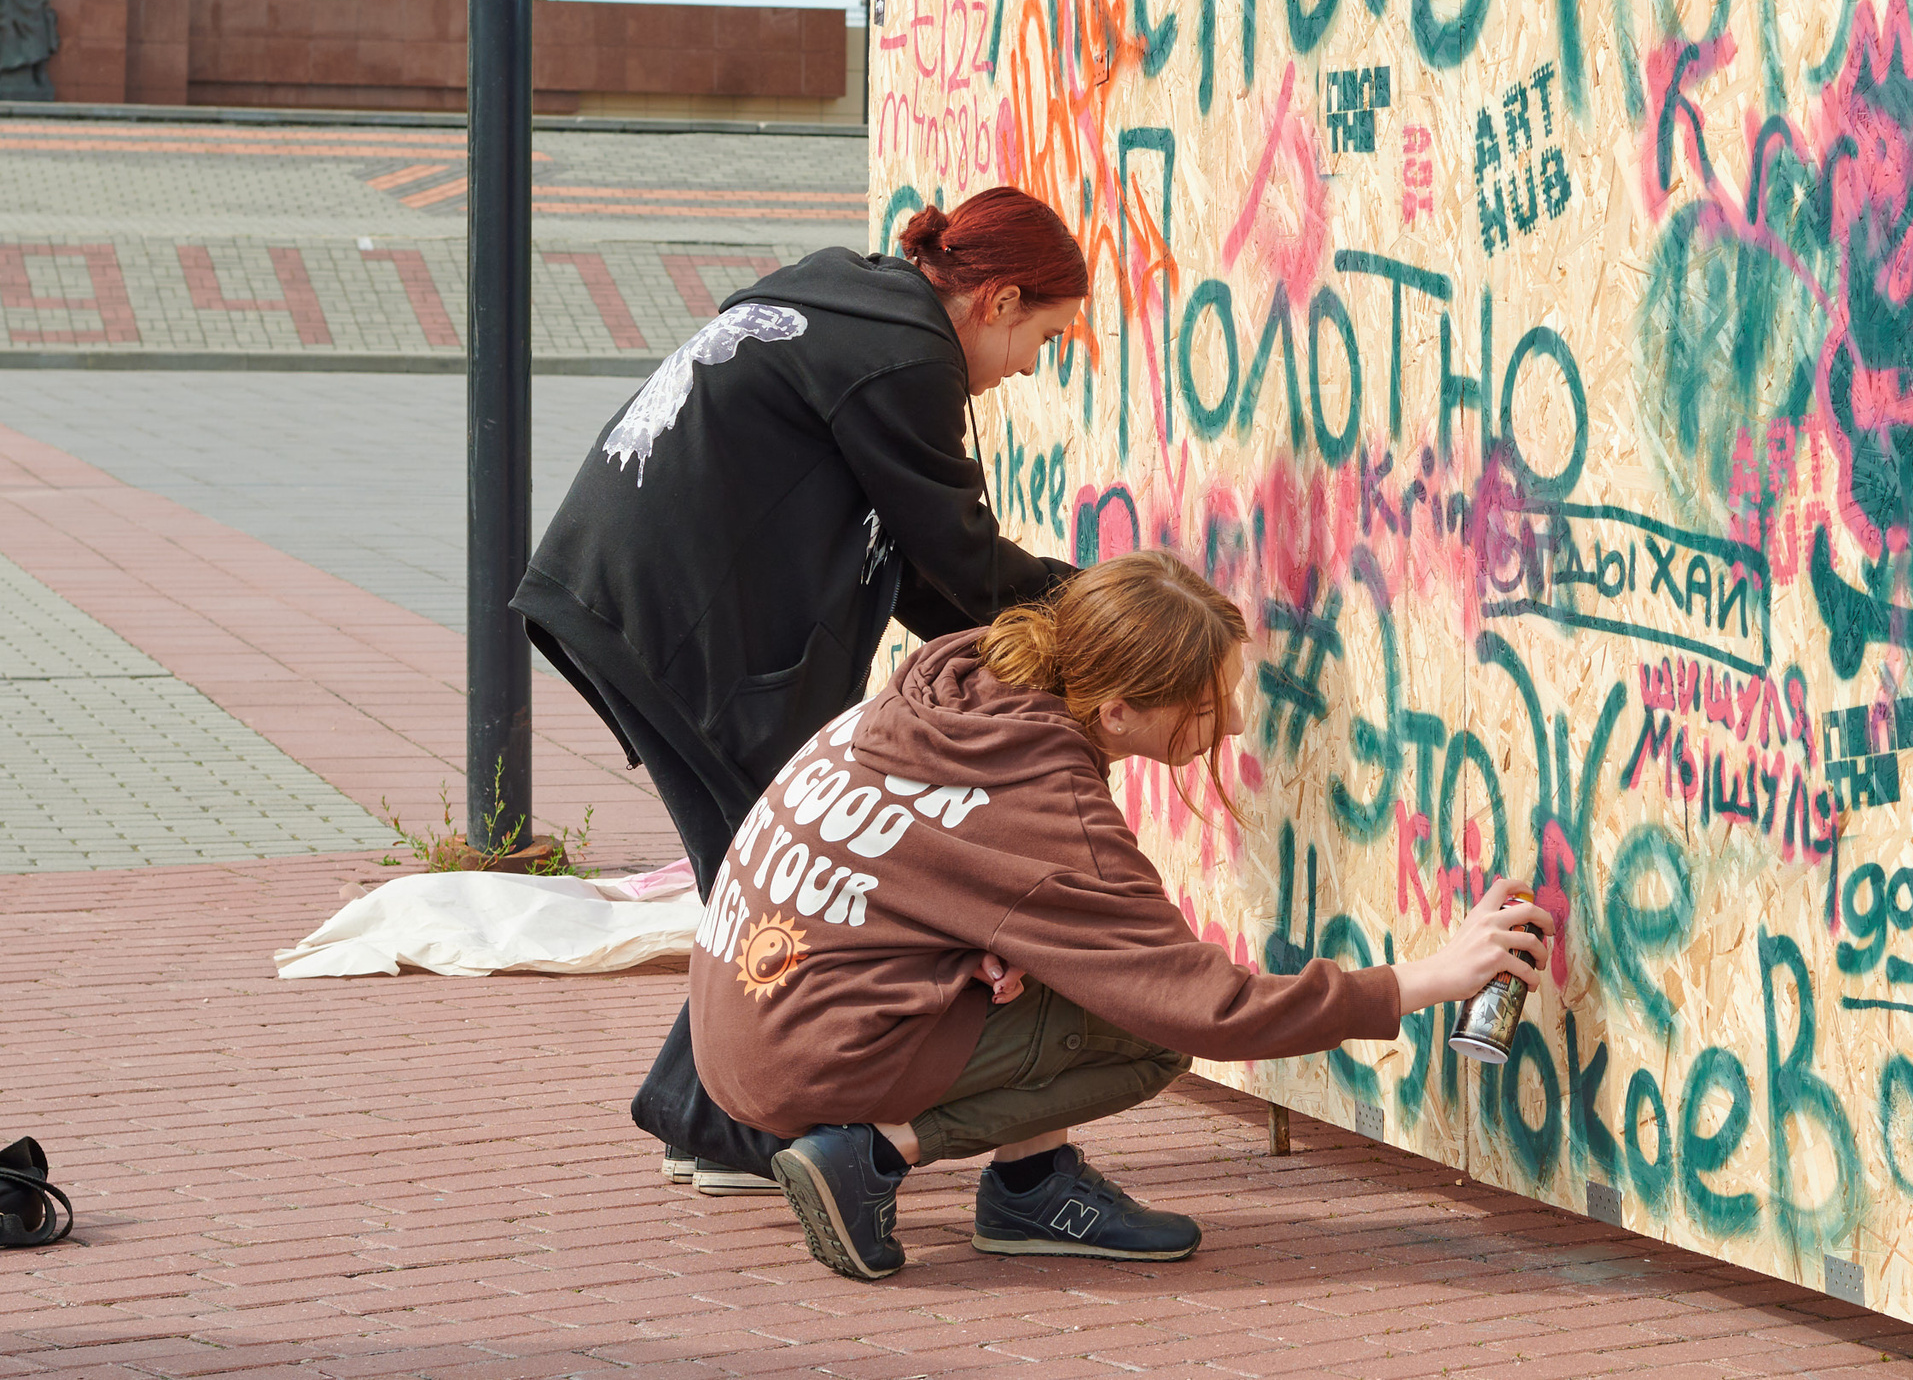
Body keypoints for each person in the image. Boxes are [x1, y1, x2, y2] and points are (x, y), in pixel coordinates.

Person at [688, 550, 1554, 1279]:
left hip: (734, 1017)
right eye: (1209, 706)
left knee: (1064, 969)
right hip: (798, 1056)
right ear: (1118, 712)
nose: (1238, 720)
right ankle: (871, 1154)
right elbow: (1209, 1007)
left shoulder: (960, 689)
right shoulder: (1048, 800)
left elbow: (902, 875)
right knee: (1146, 1029)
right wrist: (1428, 978)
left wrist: (962, 949)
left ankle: (1031, 1185)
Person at [513, 189, 1089, 1188]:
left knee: (761, 870)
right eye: (1042, 338)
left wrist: (1018, 635)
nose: (1030, 367)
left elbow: (918, 573)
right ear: (996, 301)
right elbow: (955, 556)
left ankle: (708, 1118)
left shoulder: (854, 304)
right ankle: (722, 1124)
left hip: (623, 596)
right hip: (672, 622)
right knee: (796, 877)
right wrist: (1098, 608)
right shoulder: (906, 358)